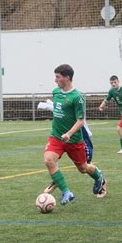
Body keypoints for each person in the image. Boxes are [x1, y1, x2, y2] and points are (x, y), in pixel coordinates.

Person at [43, 64, 107, 206]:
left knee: (83, 168)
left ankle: (99, 177)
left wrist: (69, 133)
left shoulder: (77, 97)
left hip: (74, 139)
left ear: (67, 77)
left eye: (58, 77)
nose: (55, 80)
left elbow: (80, 120)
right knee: (48, 160)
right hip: (56, 136)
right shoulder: (56, 92)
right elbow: (59, 110)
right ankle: (66, 192)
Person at [38, 99, 95, 194]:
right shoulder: (59, 95)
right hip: (62, 136)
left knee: (85, 167)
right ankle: (56, 181)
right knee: (51, 159)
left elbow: (73, 116)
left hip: (80, 137)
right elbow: (59, 110)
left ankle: (100, 179)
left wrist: (48, 105)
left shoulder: (75, 99)